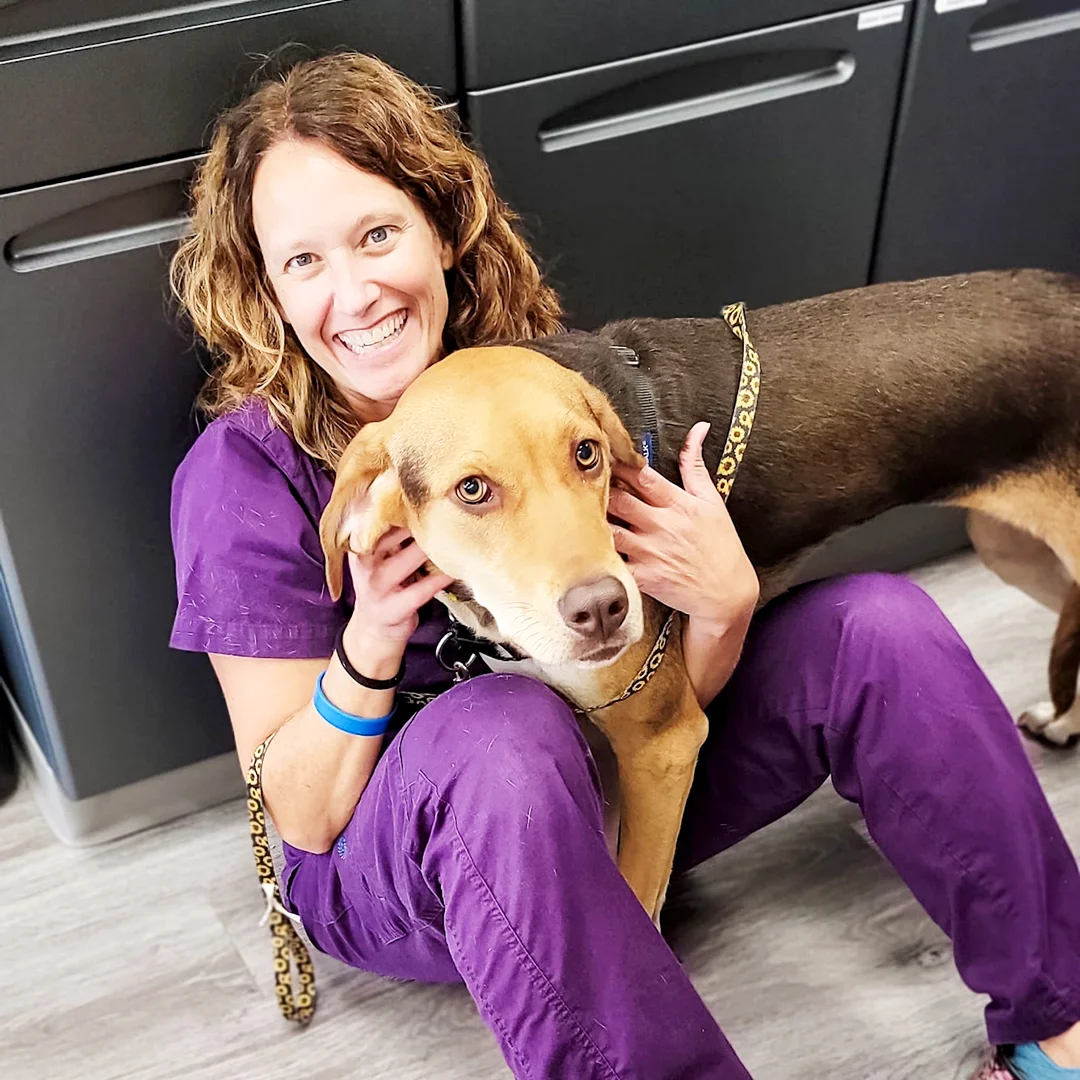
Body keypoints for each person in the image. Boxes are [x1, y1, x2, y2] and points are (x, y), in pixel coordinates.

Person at [168, 51, 1080, 1080]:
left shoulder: (545, 388)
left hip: (600, 794)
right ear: (264, 289)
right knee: (501, 730)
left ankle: (1060, 1018)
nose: (357, 289)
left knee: (879, 625)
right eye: (305, 262)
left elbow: (654, 719)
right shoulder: (243, 479)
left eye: (379, 234)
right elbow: (301, 812)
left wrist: (725, 609)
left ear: (441, 230)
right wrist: (373, 638)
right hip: (401, 868)